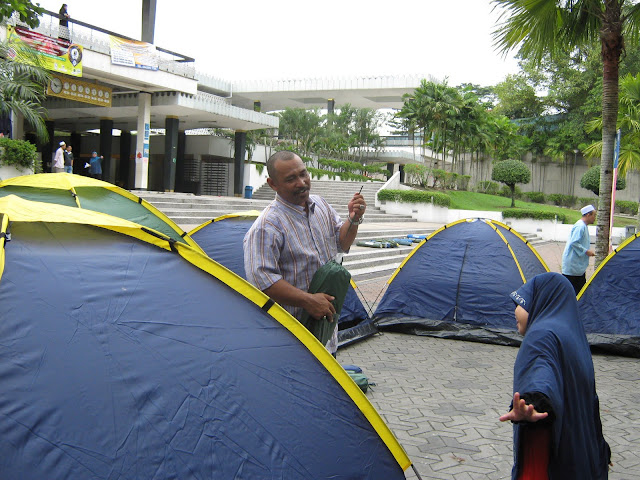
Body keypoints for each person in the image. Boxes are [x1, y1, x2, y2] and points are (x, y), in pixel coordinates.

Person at [243, 151, 366, 356]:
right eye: (291, 179)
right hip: (291, 339)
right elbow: (261, 281)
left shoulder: (321, 206)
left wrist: (353, 219)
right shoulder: (266, 226)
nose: (301, 183)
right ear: (273, 184)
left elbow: (341, 243)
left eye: (303, 174)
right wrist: (308, 300)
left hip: (326, 334)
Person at [500, 272, 611, 479]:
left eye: (521, 303)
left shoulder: (541, 336)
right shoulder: (573, 336)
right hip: (581, 458)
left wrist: (532, 403)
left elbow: (541, 374)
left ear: (542, 301)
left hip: (547, 461)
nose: (515, 310)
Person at [562, 204, 596, 294]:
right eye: (594, 215)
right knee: (573, 292)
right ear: (588, 215)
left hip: (577, 268)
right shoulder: (580, 227)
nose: (594, 218)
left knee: (580, 291)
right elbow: (574, 242)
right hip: (573, 268)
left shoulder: (583, 226)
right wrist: (586, 251)